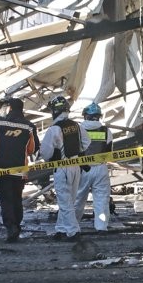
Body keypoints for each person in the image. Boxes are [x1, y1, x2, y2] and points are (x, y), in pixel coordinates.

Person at [38, 95, 90, 241]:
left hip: (62, 168)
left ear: (54, 111)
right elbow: (86, 141)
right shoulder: (77, 125)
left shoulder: (54, 129)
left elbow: (45, 152)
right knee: (69, 200)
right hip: (75, 167)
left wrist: (51, 158)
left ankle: (73, 231)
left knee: (65, 202)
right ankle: (61, 229)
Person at [0, 97, 38, 243]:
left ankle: (11, 226)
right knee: (17, 198)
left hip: (1, 169)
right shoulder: (29, 126)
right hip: (20, 170)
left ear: (9, 108)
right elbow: (33, 149)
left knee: (6, 199)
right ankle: (16, 225)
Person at [75, 103, 114, 232]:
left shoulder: (78, 130)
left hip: (82, 169)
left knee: (78, 199)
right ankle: (101, 227)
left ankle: (73, 227)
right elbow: (109, 153)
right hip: (101, 169)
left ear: (86, 115)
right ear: (99, 116)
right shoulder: (106, 130)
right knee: (102, 200)